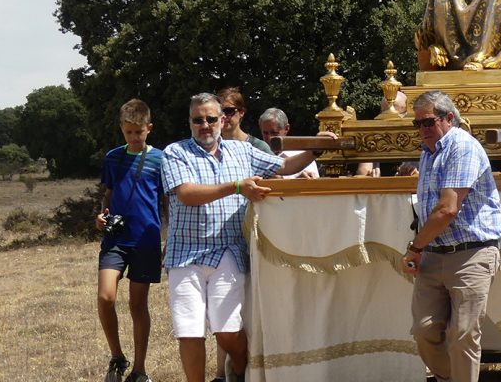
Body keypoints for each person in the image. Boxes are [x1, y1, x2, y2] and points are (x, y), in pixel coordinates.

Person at [162, 93, 330, 382]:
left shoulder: (242, 151)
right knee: (189, 331)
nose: (205, 125)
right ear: (189, 122)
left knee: (228, 331)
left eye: (211, 119)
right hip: (186, 254)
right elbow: (187, 194)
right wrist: (238, 186)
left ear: (222, 120)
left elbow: (284, 167)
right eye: (198, 120)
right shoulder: (175, 152)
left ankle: (239, 372)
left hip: (228, 252)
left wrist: (315, 148)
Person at [401, 91, 501, 382]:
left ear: (449, 118)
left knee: (463, 336)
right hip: (435, 253)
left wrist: (415, 247)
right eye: (417, 124)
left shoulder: (463, 147)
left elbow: (447, 210)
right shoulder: (428, 151)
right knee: (423, 331)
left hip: (471, 252)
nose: (422, 130)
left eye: (428, 123)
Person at [95, 99, 164, 382]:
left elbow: (169, 200)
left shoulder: (162, 159)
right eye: (128, 133)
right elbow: (109, 194)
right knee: (105, 296)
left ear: (149, 128)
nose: (134, 138)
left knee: (138, 306)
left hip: (146, 241)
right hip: (116, 239)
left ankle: (139, 370)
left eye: (139, 132)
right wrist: (100, 216)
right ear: (121, 130)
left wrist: (169, 238)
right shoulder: (113, 157)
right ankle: (117, 357)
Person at [258, 107, 321, 179]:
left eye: (274, 133)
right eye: (265, 133)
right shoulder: (256, 156)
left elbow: (314, 185)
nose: (269, 138)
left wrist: (300, 182)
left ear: (286, 128)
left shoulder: (304, 157)